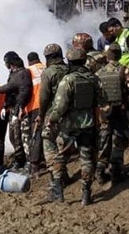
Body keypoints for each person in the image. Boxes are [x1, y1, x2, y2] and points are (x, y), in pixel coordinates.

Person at [45, 48, 107, 206]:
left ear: (70, 61)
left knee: (60, 156)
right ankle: (86, 193)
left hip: (69, 126)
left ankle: (58, 191)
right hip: (89, 125)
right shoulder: (93, 78)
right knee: (87, 159)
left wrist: (51, 120)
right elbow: (103, 100)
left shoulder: (68, 80)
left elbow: (60, 106)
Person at [96, 43, 129, 185]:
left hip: (104, 112)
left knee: (104, 140)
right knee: (119, 139)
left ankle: (100, 171)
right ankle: (116, 172)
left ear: (107, 56)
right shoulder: (124, 70)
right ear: (119, 55)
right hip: (120, 110)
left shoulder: (99, 72)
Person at [0, 51, 33, 172]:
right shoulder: (13, 73)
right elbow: (10, 93)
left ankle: (29, 162)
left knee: (22, 138)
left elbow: (22, 91)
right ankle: (20, 161)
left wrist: (18, 109)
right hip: (13, 109)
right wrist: (5, 107)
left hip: (22, 110)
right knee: (13, 137)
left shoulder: (23, 73)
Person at [39, 43, 68, 182]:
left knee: (49, 144)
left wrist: (41, 115)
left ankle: (57, 179)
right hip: (70, 114)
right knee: (63, 144)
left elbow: (44, 97)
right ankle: (64, 174)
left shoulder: (48, 72)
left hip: (53, 113)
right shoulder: (69, 69)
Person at [24, 52, 46, 173]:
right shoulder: (46, 67)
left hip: (35, 106)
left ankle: (34, 164)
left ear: (28, 61)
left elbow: (25, 90)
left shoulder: (28, 71)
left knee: (36, 134)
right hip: (50, 104)